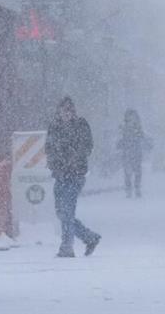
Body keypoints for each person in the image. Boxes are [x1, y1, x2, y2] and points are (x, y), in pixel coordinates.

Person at [45, 96, 101, 258]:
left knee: (68, 210)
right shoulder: (54, 127)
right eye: (64, 109)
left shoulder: (81, 125)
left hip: (75, 175)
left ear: (73, 111)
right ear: (59, 111)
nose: (66, 113)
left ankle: (67, 247)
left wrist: (74, 159)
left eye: (69, 109)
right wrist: (53, 162)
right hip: (59, 175)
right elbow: (48, 147)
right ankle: (90, 237)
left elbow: (88, 146)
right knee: (61, 212)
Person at [116, 109, 151, 198]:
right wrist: (120, 144)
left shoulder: (138, 127)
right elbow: (119, 139)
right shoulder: (124, 127)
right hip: (127, 152)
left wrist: (147, 144)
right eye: (130, 116)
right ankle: (129, 189)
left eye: (133, 116)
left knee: (137, 172)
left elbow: (144, 137)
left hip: (136, 152)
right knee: (128, 172)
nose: (132, 118)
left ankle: (136, 188)